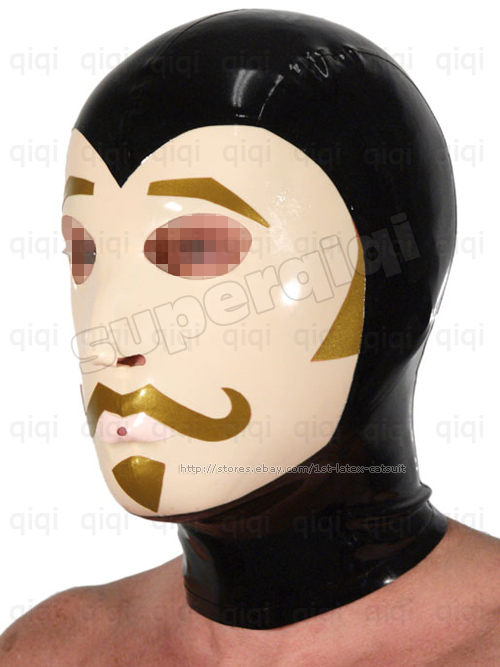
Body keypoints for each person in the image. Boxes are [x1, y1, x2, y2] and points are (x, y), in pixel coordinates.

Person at [1, 9, 499, 665]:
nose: (108, 335)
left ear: (389, 294)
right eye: (85, 253)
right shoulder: (50, 649)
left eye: (196, 248)